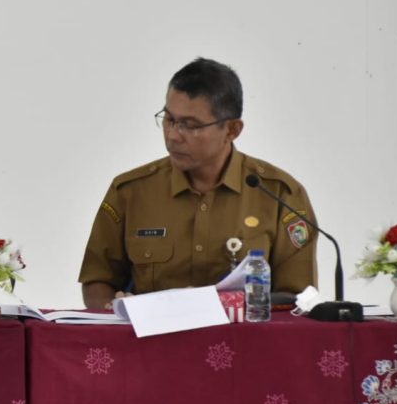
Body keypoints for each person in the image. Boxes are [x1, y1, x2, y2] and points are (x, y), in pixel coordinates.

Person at [79, 58, 318, 310]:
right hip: (152, 345)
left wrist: (221, 305)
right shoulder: (130, 192)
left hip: (246, 345)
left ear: (232, 130)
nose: (172, 135)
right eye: (169, 120)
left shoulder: (279, 194)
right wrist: (114, 308)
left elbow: (297, 298)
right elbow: (98, 280)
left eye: (190, 126)